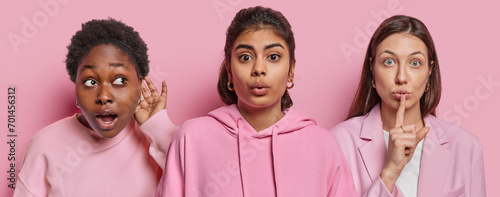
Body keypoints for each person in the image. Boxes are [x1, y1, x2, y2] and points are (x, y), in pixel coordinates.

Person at [155, 6, 357, 197]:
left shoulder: (322, 144)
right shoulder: (191, 138)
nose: (259, 68)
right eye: (245, 57)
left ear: (291, 69)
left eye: (273, 56)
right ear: (229, 70)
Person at [14, 18, 178, 197]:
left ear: (139, 85)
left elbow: (196, 183)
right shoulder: (45, 143)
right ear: (76, 86)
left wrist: (159, 127)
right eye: (90, 81)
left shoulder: (159, 139)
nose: (104, 97)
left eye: (119, 80)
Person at [330, 15, 486, 197]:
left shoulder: (466, 147)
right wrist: (390, 171)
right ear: (372, 68)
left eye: (415, 63)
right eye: (389, 61)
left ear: (429, 71)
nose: (401, 77)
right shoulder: (338, 142)